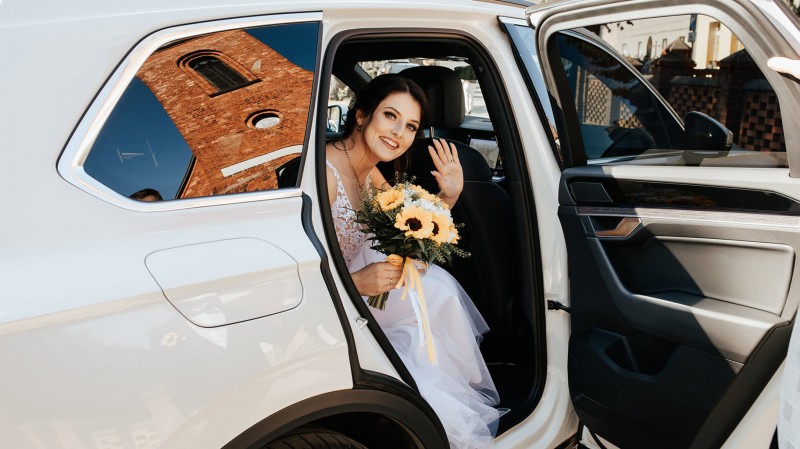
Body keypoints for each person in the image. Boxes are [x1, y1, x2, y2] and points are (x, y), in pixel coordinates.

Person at [326, 74, 500, 449]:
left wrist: (449, 196)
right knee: (430, 305)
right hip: (333, 302)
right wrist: (357, 283)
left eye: (410, 126)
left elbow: (409, 230)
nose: (398, 133)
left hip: (363, 288)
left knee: (438, 291)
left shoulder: (369, 169)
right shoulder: (326, 173)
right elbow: (298, 267)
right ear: (361, 115)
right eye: (390, 116)